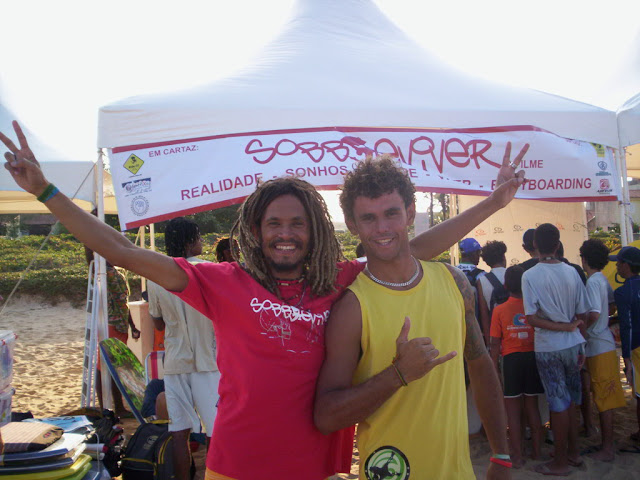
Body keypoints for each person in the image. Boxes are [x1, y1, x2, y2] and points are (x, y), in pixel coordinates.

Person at [1, 121, 527, 480]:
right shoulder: (221, 282)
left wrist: (493, 202)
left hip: (314, 466)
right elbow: (120, 249)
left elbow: (411, 246)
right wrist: (46, 191)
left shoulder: (337, 280)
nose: (285, 233)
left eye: (297, 223)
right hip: (237, 465)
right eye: (274, 223)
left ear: (314, 229)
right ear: (256, 229)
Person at [314, 156, 512, 479]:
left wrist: (501, 454)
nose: (382, 228)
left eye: (391, 213)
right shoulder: (352, 308)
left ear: (409, 212)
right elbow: (326, 416)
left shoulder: (453, 281)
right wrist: (398, 374)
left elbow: (480, 365)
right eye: (368, 218)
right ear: (351, 224)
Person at [147, 217, 219, 480]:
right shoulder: (210, 270)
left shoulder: (156, 275)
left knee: (179, 433)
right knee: (215, 432)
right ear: (190, 242)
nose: (201, 242)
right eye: (198, 237)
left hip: (176, 363)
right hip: (209, 363)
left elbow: (157, 323)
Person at [522, 223, 589, 476]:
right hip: (573, 344)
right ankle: (573, 453)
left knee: (559, 403)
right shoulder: (572, 272)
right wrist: (578, 338)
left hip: (549, 347)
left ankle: (560, 462)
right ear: (558, 244)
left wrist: (562, 328)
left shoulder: (530, 275)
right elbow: (582, 313)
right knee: (569, 400)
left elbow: (531, 318)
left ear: (535, 245)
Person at [490, 266, 544, 468]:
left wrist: (494, 368)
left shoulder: (499, 310)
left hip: (511, 360)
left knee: (512, 411)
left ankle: (518, 456)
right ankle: (537, 453)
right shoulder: (533, 308)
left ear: (505, 285)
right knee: (532, 407)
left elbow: (495, 343)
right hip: (532, 357)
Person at [579, 239, 626, 461]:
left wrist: (581, 329)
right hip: (602, 343)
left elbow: (595, 313)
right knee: (603, 396)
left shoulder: (592, 282)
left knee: (604, 399)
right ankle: (606, 445)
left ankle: (607, 448)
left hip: (598, 345)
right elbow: (611, 306)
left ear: (584, 259)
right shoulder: (601, 280)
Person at [84, 243, 140, 416]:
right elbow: (90, 257)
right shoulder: (100, 271)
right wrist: (89, 238)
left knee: (115, 367)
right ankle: (106, 410)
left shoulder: (116, 272)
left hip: (120, 325)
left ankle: (119, 407)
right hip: (109, 324)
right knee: (104, 367)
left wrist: (132, 326)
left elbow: (123, 302)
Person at [610, 245, 640, 443]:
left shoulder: (623, 292)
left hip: (637, 346)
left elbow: (626, 325)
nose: (617, 266)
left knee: (639, 393)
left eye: (619, 263)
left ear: (627, 266)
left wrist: (626, 357)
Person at [478, 240, 508, 344]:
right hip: (517, 330)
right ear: (503, 257)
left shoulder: (481, 281)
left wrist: (489, 342)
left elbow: (484, 315)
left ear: (487, 262)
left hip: (496, 333)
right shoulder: (515, 274)